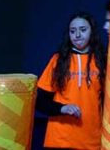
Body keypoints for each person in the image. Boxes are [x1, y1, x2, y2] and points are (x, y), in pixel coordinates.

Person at [36, 12, 106, 150]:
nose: (77, 35)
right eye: (72, 31)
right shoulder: (58, 60)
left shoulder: (102, 61)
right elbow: (40, 102)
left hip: (92, 142)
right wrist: (62, 108)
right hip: (59, 141)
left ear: (92, 32)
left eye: (83, 30)